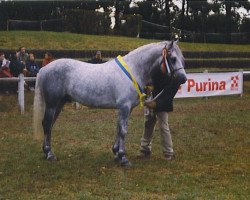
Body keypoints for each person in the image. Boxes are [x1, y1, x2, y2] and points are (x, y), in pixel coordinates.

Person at [138, 67, 181, 161]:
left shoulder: (173, 72)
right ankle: (145, 149)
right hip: (151, 99)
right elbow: (147, 78)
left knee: (163, 126)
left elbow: (170, 92)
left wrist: (157, 104)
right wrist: (148, 87)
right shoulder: (155, 66)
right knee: (148, 124)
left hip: (162, 102)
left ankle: (168, 152)